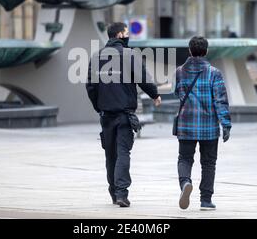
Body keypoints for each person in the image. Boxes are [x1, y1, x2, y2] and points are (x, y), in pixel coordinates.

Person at [86, 22, 162, 208]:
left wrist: (99, 107)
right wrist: (155, 94)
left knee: (110, 155)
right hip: (125, 113)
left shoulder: (97, 56)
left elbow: (90, 86)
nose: (128, 36)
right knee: (123, 153)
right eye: (126, 33)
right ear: (120, 34)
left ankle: (114, 193)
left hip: (106, 114)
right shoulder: (130, 55)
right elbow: (143, 77)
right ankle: (122, 193)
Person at [173, 36, 232, 211]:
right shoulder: (214, 73)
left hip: (186, 124)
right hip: (209, 127)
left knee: (184, 158)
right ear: (206, 51)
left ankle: (185, 183)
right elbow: (220, 100)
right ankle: (206, 200)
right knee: (208, 163)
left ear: (190, 51)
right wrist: (226, 124)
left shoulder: (179, 71)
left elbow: (178, 93)